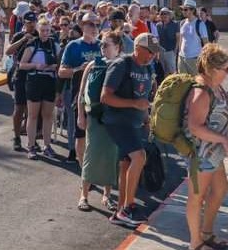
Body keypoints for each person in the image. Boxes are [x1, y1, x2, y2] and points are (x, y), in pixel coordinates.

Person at [102, 32, 159, 227]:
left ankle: (120, 212)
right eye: (149, 51)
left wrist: (145, 118)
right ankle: (128, 207)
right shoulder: (121, 64)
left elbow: (143, 96)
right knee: (139, 156)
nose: (152, 55)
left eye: (154, 52)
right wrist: (134, 104)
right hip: (117, 121)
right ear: (137, 48)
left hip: (134, 122)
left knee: (127, 163)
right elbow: (105, 97)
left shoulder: (147, 68)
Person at [183, 43, 228, 250]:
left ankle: (205, 233)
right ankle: (195, 243)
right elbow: (195, 127)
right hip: (201, 155)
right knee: (196, 198)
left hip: (213, 153)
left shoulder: (215, 86)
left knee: (221, 189)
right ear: (213, 69)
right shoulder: (202, 92)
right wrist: (223, 140)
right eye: (226, 69)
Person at [76, 31, 123, 212]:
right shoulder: (92, 65)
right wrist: (81, 115)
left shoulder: (121, 66)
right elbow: (81, 94)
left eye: (106, 45)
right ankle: (84, 195)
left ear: (117, 47)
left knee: (111, 157)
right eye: (102, 44)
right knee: (91, 155)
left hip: (114, 119)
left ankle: (107, 195)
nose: (102, 48)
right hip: (95, 117)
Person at [58, 12, 102, 164]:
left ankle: (93, 164)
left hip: (99, 96)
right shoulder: (73, 46)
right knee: (78, 129)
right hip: (77, 94)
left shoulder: (102, 45)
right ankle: (77, 159)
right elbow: (61, 72)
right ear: (82, 26)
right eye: (90, 24)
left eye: (97, 24)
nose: (94, 27)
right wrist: (78, 69)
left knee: (97, 133)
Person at [19, 17, 61, 160]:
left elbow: (60, 63)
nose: (45, 33)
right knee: (33, 115)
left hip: (49, 81)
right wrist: (36, 66)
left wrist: (55, 66)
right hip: (34, 81)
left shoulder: (54, 45)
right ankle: (31, 146)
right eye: (42, 30)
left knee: (48, 116)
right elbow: (22, 65)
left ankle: (47, 145)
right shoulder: (32, 44)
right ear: (38, 30)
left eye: (47, 30)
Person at [5, 11, 39, 151]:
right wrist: (23, 39)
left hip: (36, 75)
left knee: (33, 111)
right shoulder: (19, 35)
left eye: (33, 22)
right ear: (24, 22)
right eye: (28, 22)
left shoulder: (40, 34)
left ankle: (32, 138)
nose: (31, 24)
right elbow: (8, 51)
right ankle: (17, 137)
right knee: (19, 108)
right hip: (21, 75)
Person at [178, 0, 208, 76]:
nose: (183, 11)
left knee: (196, 82)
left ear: (192, 10)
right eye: (182, 9)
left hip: (195, 59)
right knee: (183, 83)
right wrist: (179, 54)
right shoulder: (182, 23)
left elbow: (206, 43)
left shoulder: (200, 24)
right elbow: (181, 40)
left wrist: (204, 59)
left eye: (185, 9)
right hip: (182, 58)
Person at [156, 7, 180, 75]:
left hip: (170, 51)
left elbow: (178, 38)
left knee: (173, 71)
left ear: (169, 15)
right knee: (163, 71)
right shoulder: (158, 25)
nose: (164, 15)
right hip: (161, 51)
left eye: (166, 13)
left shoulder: (175, 24)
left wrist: (175, 49)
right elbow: (157, 39)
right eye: (162, 14)